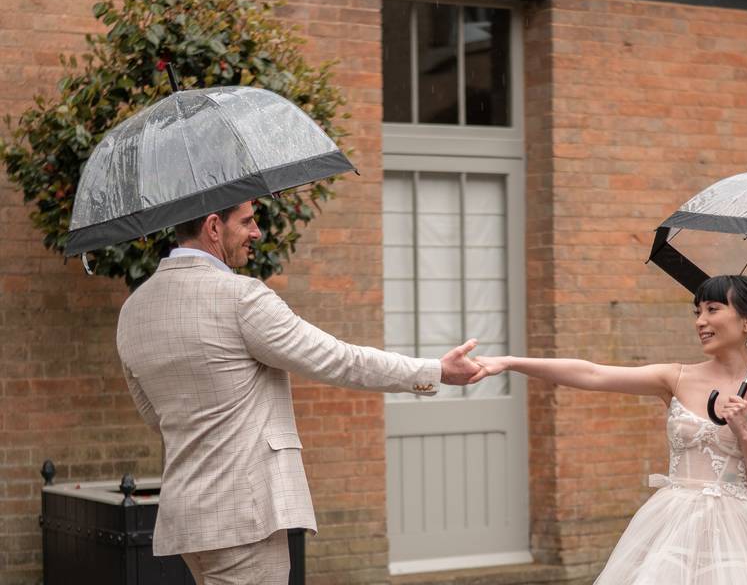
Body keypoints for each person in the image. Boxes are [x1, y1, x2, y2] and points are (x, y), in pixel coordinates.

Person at [116, 201, 484, 585]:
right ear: (213, 227)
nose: (257, 232)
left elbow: (153, 414)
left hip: (187, 518)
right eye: (246, 221)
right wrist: (436, 371)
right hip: (247, 516)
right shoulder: (240, 298)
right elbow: (338, 359)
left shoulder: (133, 310)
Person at [474, 274, 747, 584]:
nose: (700, 322)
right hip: (672, 528)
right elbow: (592, 374)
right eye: (697, 312)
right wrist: (509, 363)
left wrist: (745, 435)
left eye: (713, 310)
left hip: (740, 538)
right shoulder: (676, 377)